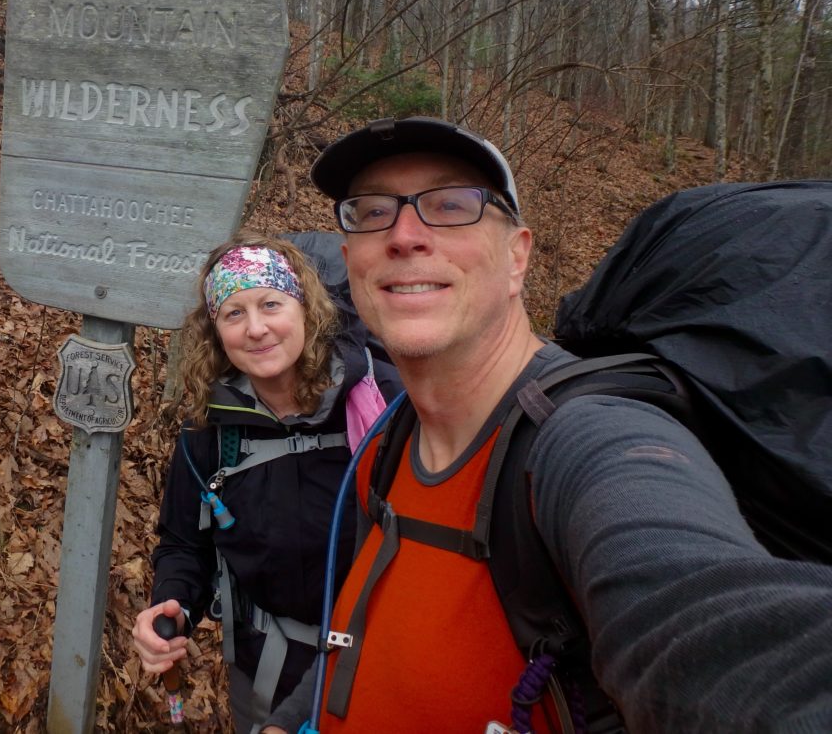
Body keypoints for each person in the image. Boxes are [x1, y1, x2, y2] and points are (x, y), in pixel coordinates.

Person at [261, 116, 832, 732]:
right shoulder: (390, 434)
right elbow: (361, 629)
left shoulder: (586, 441)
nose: (404, 235)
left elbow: (709, 624)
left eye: (451, 204)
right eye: (372, 211)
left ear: (517, 256)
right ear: (352, 263)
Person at [132, 231, 399, 733]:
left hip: (379, 663)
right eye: (234, 313)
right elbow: (183, 542)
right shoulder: (209, 428)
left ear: (306, 310)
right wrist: (173, 602)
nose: (256, 329)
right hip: (264, 669)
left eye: (271, 304)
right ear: (216, 332)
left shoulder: (379, 404)